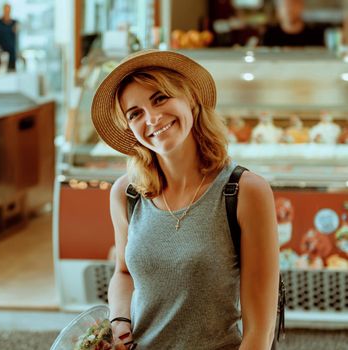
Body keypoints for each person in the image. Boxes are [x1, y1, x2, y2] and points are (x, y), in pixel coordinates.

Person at [90, 50, 280, 349]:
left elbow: (259, 333)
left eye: (160, 98)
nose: (152, 118)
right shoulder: (127, 193)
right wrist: (119, 320)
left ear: (190, 98)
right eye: (135, 113)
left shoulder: (244, 191)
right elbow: (123, 273)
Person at [0, 3, 18, 71]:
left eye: (8, 10)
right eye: (5, 10)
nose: (7, 12)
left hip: (12, 54)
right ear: (3, 10)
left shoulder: (15, 23)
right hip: (1, 51)